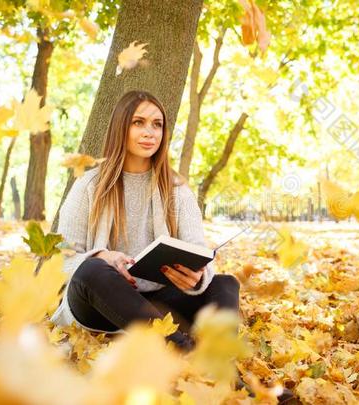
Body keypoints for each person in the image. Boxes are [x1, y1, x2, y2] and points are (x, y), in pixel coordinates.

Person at [49, 90, 240, 352]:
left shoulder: (177, 190)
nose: (150, 132)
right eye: (138, 122)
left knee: (225, 284)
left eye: (157, 124)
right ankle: (183, 353)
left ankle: (222, 359)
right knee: (91, 270)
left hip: (158, 306)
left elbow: (198, 249)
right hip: (100, 305)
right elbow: (63, 261)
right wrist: (103, 256)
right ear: (120, 128)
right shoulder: (88, 186)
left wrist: (197, 277)